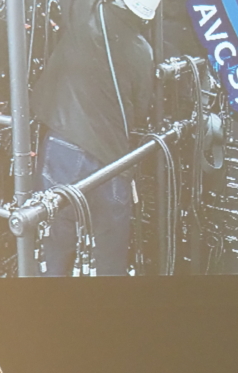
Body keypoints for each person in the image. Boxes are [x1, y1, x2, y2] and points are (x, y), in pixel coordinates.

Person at [31, 0, 158, 275]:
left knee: (54, 248)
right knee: (109, 257)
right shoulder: (143, 51)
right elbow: (140, 110)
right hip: (115, 162)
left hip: (65, 147)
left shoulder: (84, 15)